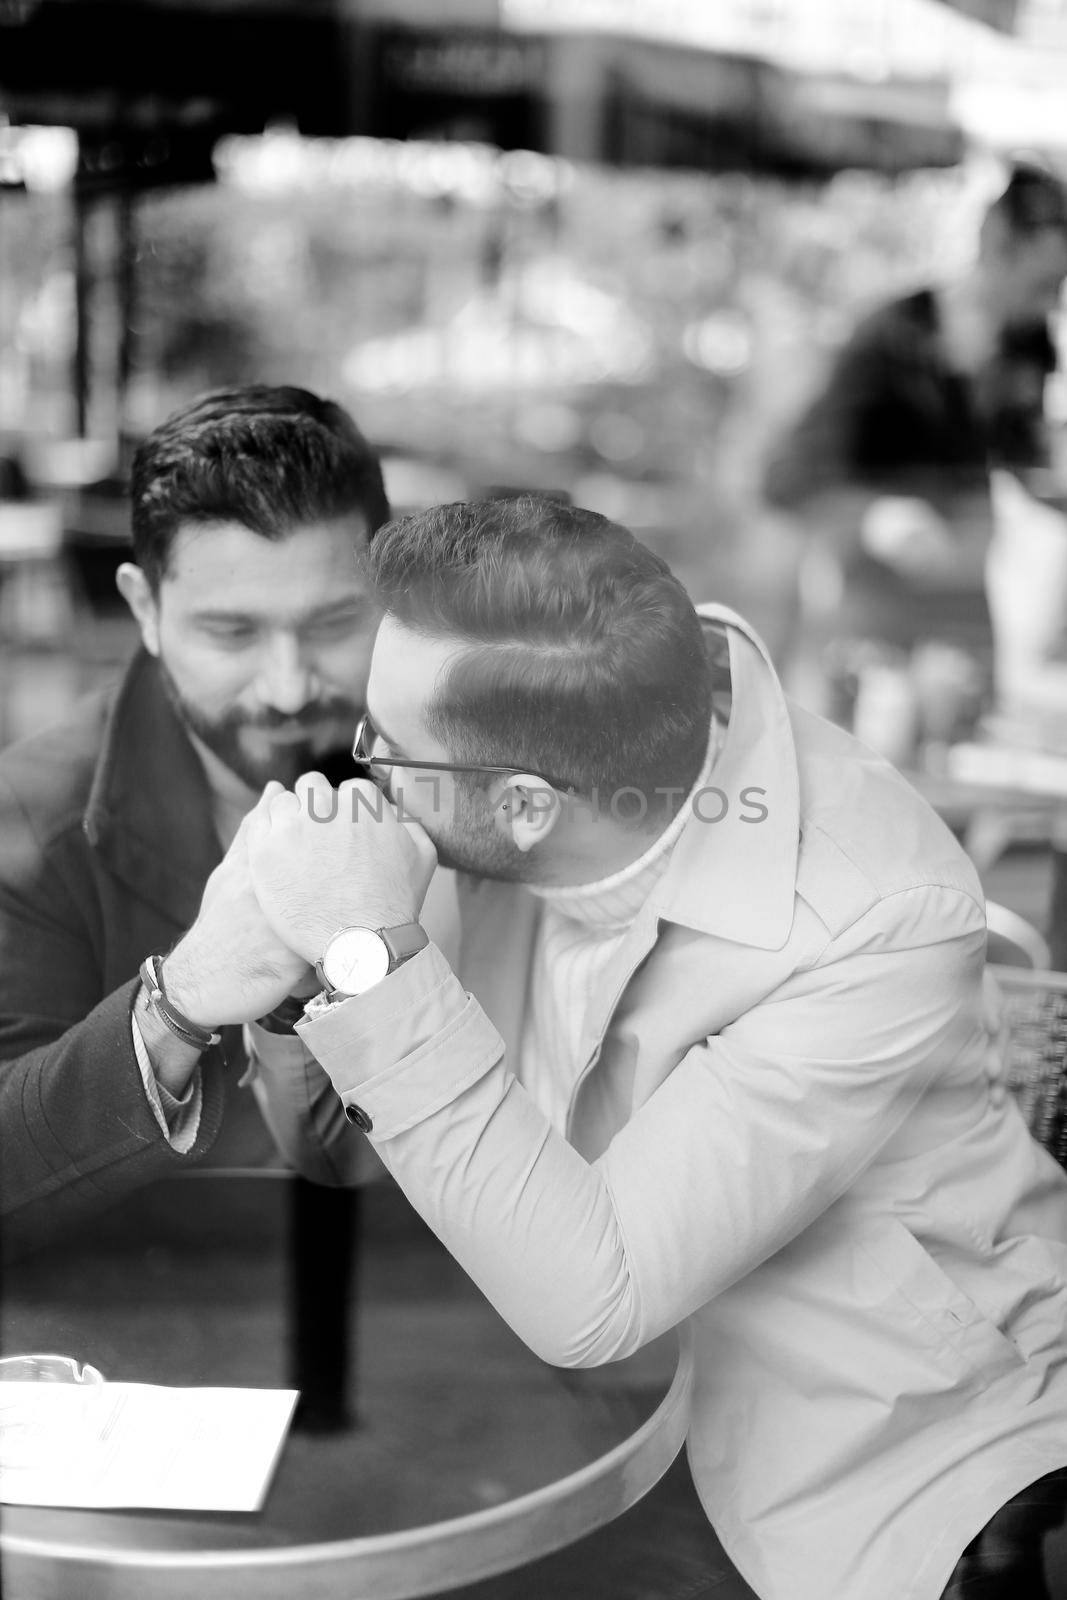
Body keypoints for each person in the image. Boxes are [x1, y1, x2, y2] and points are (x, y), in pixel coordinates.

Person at [174, 495, 1067, 1599]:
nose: (364, 770)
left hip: (869, 1480)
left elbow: (588, 1302)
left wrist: (370, 952)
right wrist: (303, 968)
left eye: (388, 748)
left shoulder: (874, 909)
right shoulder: (507, 777)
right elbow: (346, 1155)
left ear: (526, 806)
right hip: (576, 1425)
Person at [0, 384, 391, 1258]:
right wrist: (175, 1007)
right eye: (231, 633)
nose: (288, 687)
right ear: (142, 609)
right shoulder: (24, 822)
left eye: (333, 624)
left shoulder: (466, 779)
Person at [763, 161, 1067, 748]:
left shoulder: (1028, 346)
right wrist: (878, 517)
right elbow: (788, 478)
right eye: (1043, 283)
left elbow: (1025, 460)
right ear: (996, 245)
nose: (1052, 302)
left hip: (955, 624)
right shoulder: (890, 335)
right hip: (863, 618)